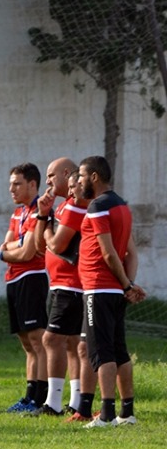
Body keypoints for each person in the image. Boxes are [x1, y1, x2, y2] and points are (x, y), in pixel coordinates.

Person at [74, 156, 146, 428]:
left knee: (101, 352)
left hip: (98, 287)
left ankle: (105, 415)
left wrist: (127, 285)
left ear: (94, 177)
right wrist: (127, 285)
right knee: (119, 351)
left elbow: (108, 252)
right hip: (114, 289)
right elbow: (130, 253)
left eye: (81, 176)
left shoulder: (98, 206)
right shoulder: (123, 207)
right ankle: (127, 413)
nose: (78, 181)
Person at [34, 158, 88, 416]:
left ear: (67, 174)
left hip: (72, 285)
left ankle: (52, 404)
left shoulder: (76, 207)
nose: (47, 181)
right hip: (59, 283)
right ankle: (76, 402)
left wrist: (47, 226)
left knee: (51, 338)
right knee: (71, 343)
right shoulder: (63, 206)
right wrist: (43, 215)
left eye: (51, 175)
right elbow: (39, 246)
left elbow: (54, 245)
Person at [0, 163, 48, 413]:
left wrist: (9, 251)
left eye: (17, 184)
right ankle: (28, 397)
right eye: (10, 184)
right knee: (26, 342)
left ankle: (41, 398)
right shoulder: (17, 214)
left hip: (32, 278)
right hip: (13, 280)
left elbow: (28, 253)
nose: (11, 189)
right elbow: (4, 246)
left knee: (38, 341)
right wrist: (10, 249)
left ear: (32, 184)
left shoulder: (40, 211)